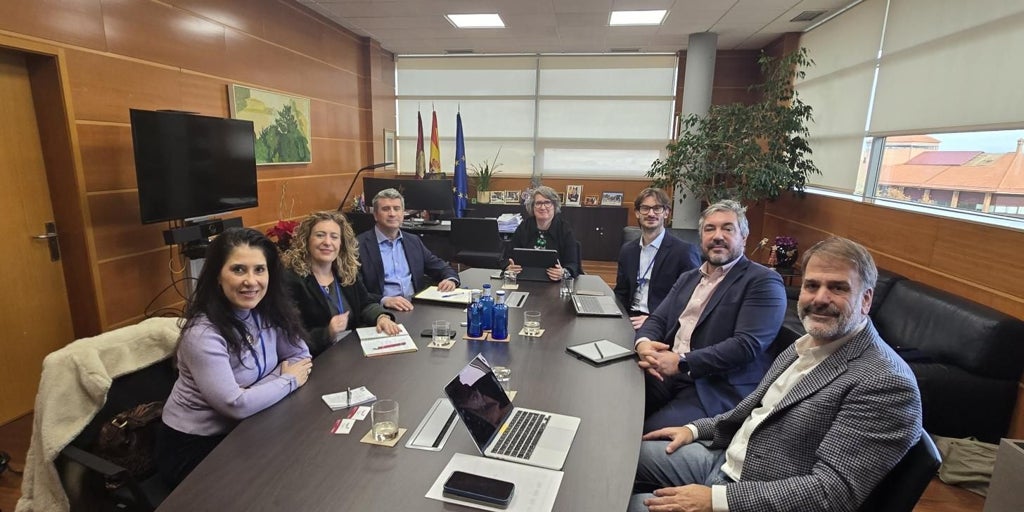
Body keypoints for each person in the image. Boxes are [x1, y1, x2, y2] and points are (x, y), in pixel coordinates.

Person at [629, 236, 923, 512]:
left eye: (838, 288)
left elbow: (832, 493)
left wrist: (716, 500)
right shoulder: (806, 344)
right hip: (726, 460)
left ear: (866, 299)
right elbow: (756, 412)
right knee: (619, 454)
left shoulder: (885, 382)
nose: (820, 298)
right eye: (812, 286)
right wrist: (694, 430)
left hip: (752, 493)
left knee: (625, 504)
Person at [157, 227, 312, 487]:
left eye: (259, 269)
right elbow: (235, 405)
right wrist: (286, 380)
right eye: (238, 269)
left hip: (249, 425)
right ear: (218, 276)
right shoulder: (202, 333)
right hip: (194, 446)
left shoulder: (267, 310)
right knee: (274, 486)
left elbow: (301, 356)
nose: (251, 281)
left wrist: (252, 393)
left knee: (303, 464)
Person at [635, 200, 785, 433]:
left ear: (744, 238)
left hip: (713, 388)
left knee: (645, 435)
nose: (717, 236)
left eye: (728, 229)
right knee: (615, 404)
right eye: (709, 229)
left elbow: (746, 345)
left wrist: (682, 362)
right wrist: (644, 344)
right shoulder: (688, 278)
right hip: (666, 373)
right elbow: (658, 320)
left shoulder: (763, 282)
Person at [282, 211, 400, 357]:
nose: (327, 242)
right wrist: (328, 332)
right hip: (318, 358)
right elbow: (290, 337)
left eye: (334, 237)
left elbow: (365, 303)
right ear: (306, 240)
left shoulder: (344, 272)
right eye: (320, 235)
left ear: (341, 243)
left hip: (351, 351)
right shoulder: (291, 280)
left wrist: (381, 317)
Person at [356, 188, 460, 311]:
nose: (392, 214)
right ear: (375, 215)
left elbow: (441, 267)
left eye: (397, 208)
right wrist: (384, 300)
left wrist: (450, 280)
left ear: (403, 213)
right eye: (386, 209)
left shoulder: (413, 241)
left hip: (415, 308)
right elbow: (356, 291)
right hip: (382, 311)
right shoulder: (359, 246)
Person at [615, 188, 702, 330]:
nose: (651, 214)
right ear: (637, 213)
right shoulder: (628, 250)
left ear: (666, 213)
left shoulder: (684, 252)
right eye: (645, 208)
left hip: (661, 321)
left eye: (657, 208)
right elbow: (621, 292)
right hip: (629, 317)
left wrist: (655, 320)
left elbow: (690, 298)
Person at [505, 185, 580, 280]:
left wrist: (564, 272)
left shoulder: (565, 229)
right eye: (538, 203)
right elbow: (507, 257)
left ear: (554, 206)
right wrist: (509, 267)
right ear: (532, 207)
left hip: (555, 282)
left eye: (547, 202)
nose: (543, 207)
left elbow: (573, 264)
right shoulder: (524, 227)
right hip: (525, 279)